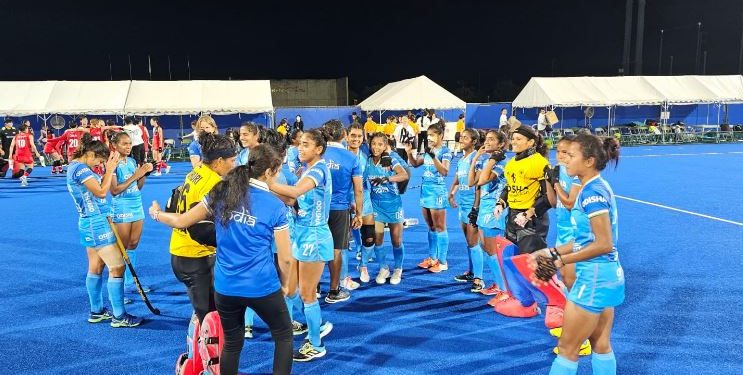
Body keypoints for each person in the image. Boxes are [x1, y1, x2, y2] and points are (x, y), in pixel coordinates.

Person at [150, 144, 293, 375]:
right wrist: (286, 284)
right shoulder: (275, 205)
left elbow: (182, 221)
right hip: (261, 286)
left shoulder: (221, 191)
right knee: (284, 336)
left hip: (225, 287)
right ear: (269, 172)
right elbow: (285, 258)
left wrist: (156, 214)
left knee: (233, 343)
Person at [533, 134, 623, 375]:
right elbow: (586, 240)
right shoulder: (593, 187)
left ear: (589, 161)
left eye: (571, 156)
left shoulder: (592, 193)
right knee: (601, 345)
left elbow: (604, 243)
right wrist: (552, 251)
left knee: (567, 348)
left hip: (593, 278)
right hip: (605, 276)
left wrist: (560, 260)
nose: (565, 161)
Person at [267, 129, 334, 362]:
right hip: (302, 236)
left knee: (307, 294)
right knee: (289, 289)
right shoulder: (307, 170)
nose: (300, 148)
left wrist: (265, 181)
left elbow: (294, 192)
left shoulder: (319, 170)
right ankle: (299, 328)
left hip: (314, 238)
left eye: (306, 144)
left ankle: (316, 344)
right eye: (299, 144)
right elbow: (292, 199)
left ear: (319, 149)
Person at [66, 137, 143, 327]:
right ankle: (119, 316)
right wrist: (109, 170)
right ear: (90, 154)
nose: (100, 165)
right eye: (99, 161)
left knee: (95, 267)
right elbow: (101, 192)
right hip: (96, 223)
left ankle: (97, 311)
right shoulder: (81, 169)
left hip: (89, 222)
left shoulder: (75, 167)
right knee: (117, 267)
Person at [492, 125, 564, 328]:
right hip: (513, 216)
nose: (513, 142)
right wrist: (501, 202)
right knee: (510, 259)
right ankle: (524, 302)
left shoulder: (540, 163)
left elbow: (548, 197)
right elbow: (509, 186)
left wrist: (530, 212)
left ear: (531, 142)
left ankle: (558, 304)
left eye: (518, 139)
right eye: (512, 139)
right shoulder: (511, 163)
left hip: (532, 219)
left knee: (533, 264)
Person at [315, 120, 363, 303]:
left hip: (317, 209)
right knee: (335, 250)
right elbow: (358, 189)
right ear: (344, 134)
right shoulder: (351, 158)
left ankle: (315, 287)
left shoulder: (318, 153)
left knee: (316, 247)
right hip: (339, 209)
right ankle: (334, 290)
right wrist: (359, 213)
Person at [110, 132, 154, 302]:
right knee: (121, 248)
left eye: (129, 143)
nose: (128, 147)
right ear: (115, 145)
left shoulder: (132, 161)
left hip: (136, 205)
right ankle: (118, 288)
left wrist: (143, 174)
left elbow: (137, 186)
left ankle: (130, 282)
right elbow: (114, 190)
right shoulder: (112, 164)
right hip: (121, 207)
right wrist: (136, 175)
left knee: (133, 245)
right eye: (124, 144)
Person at [405, 122, 452, 273]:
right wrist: (408, 152)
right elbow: (415, 164)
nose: (429, 138)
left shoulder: (445, 151)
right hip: (425, 191)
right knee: (431, 227)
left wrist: (433, 156)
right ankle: (432, 258)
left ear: (441, 136)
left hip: (437, 191)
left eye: (432, 135)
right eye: (428, 135)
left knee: (440, 227)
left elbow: (444, 171)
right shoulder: (427, 151)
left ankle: (443, 262)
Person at [469, 130, 510, 303]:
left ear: (501, 144)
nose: (487, 142)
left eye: (492, 140)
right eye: (486, 139)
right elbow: (472, 183)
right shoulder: (486, 161)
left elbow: (483, 180)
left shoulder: (502, 162)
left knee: (493, 250)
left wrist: (491, 160)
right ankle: (497, 284)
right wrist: (475, 160)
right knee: (485, 247)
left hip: (494, 208)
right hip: (483, 209)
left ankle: (504, 289)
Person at [365, 132, 409, 284]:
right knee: (377, 239)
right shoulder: (368, 161)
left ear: (385, 146)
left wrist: (386, 178)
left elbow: (404, 175)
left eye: (379, 144)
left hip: (393, 205)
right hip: (376, 205)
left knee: (396, 241)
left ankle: (398, 269)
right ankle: (383, 268)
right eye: (373, 144)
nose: (376, 147)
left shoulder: (390, 159)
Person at [448, 128, 483, 291]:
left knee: (474, 242)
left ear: (474, 141)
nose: (461, 139)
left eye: (465, 137)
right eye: (461, 137)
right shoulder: (462, 159)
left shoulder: (477, 158)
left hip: (472, 205)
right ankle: (471, 272)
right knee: (469, 242)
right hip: (463, 204)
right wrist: (452, 192)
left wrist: (476, 207)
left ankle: (479, 278)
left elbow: (478, 185)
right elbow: (458, 177)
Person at [345, 124, 376, 284]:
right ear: (346, 136)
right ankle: (342, 277)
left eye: (359, 136)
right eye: (353, 135)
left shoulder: (365, 157)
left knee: (370, 235)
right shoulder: (341, 156)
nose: (356, 139)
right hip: (343, 201)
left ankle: (363, 266)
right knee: (342, 240)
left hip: (364, 199)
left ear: (363, 138)